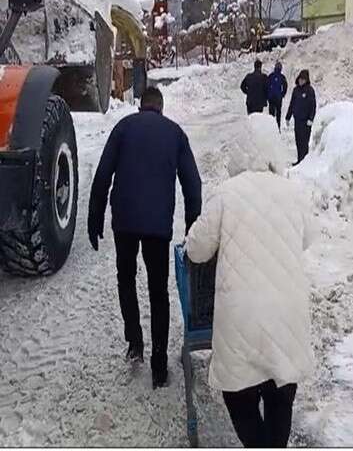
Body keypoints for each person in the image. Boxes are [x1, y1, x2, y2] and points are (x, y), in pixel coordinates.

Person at [186, 114, 315, 448]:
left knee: (239, 397)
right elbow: (308, 238)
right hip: (288, 312)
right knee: (281, 394)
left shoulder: (226, 194)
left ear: (239, 150)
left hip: (243, 316)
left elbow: (197, 250)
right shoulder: (294, 192)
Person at [87, 87, 201, 388]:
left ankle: (135, 343)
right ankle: (159, 364)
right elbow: (193, 184)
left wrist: (94, 215)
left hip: (124, 221)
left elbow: (102, 176)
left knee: (125, 277)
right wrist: (193, 227)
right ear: (160, 108)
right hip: (157, 226)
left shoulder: (123, 127)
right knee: (158, 290)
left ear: (141, 107)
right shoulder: (175, 133)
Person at [285, 69, 316, 164]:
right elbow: (292, 104)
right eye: (300, 79)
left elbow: (313, 106)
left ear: (306, 80)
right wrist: (288, 116)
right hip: (297, 120)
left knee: (304, 142)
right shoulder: (296, 90)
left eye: (303, 79)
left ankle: (304, 162)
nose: (301, 81)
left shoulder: (310, 90)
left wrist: (311, 118)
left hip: (306, 121)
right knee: (298, 141)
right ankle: (299, 160)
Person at [267, 61, 288, 130]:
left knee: (271, 114)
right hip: (278, 98)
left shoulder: (271, 76)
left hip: (271, 98)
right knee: (278, 114)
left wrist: (268, 95)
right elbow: (285, 87)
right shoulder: (282, 77)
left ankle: (271, 128)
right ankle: (278, 128)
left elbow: (266, 86)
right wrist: (282, 94)